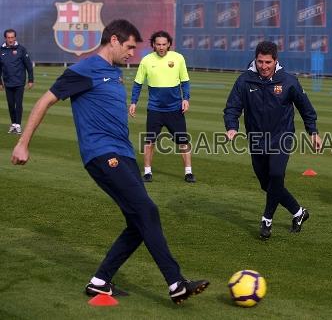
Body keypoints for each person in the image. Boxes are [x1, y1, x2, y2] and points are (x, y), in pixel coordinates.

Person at [11, 19, 208, 304]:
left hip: (124, 155)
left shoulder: (114, 73)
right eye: (129, 47)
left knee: (139, 223)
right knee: (147, 211)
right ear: (113, 40)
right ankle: (176, 282)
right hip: (102, 154)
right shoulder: (84, 69)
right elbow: (44, 101)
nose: (132, 54)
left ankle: (100, 281)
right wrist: (23, 143)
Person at [223, 41, 322, 239]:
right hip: (257, 139)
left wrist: (313, 132)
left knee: (276, 175)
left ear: (275, 61)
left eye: (268, 62)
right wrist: (231, 127)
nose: (264, 66)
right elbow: (232, 107)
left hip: (282, 137)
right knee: (267, 184)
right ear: (255, 60)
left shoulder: (288, 81)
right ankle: (299, 212)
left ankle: (266, 220)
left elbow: (306, 108)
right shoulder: (245, 80)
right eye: (260, 62)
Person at [129, 31, 196, 183]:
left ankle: (188, 172)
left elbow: (185, 81)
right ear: (153, 44)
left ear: (169, 44)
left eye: (164, 44)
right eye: (158, 44)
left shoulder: (178, 58)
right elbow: (138, 83)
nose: (161, 47)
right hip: (155, 110)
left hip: (175, 109)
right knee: (150, 141)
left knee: (182, 141)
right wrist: (133, 102)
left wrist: (186, 98)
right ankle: (147, 172)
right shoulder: (146, 60)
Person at [0, 28, 34, 134]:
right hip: (8, 82)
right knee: (10, 104)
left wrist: (31, 80)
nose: (10, 39)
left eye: (12, 37)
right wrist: (0, 83)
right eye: (8, 37)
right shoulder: (1, 50)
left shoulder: (21, 49)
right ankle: (13, 124)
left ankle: (18, 125)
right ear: (5, 38)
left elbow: (28, 65)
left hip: (19, 81)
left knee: (18, 103)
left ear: (15, 37)